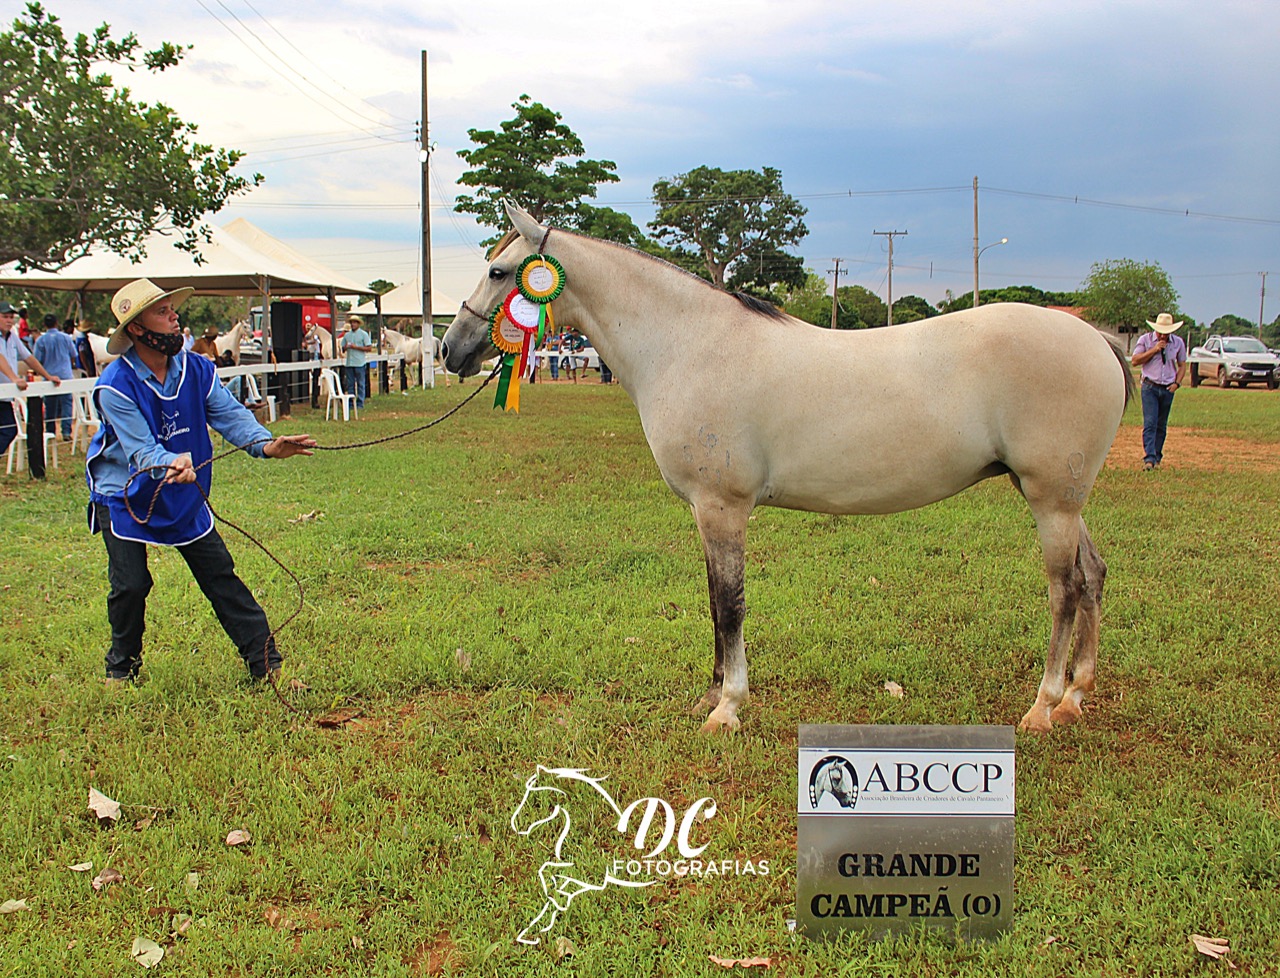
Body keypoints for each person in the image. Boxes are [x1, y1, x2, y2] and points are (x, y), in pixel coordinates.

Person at [85, 278, 315, 682]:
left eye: (173, 309)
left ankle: (266, 665)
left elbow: (229, 414)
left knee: (219, 574)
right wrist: (170, 462)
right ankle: (121, 669)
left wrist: (265, 444)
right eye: (162, 312)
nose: (175, 317)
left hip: (183, 493)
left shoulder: (197, 368)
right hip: (124, 497)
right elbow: (140, 451)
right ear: (136, 330)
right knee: (131, 585)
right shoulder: (114, 387)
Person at [1, 300, 63, 458]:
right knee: (8, 430)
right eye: (5, 317)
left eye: (11, 317)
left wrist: (47, 375)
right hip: (3, 391)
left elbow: (29, 358)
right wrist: (14, 379)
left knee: (9, 430)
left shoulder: (12, 337)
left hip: (4, 396)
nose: (9, 320)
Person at [1131, 312, 1188, 470]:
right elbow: (1135, 360)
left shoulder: (1178, 343)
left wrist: (1177, 383)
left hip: (1168, 387)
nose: (1163, 335)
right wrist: (1154, 350)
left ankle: (1157, 456)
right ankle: (1149, 458)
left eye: (1166, 332)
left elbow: (1182, 365)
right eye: (1161, 331)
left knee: (1161, 425)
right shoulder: (1146, 340)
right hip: (1150, 386)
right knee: (1150, 422)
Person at [32, 315, 78, 439]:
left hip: (49, 377)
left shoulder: (41, 340)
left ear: (45, 325)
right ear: (57, 323)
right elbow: (74, 354)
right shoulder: (65, 338)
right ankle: (66, 431)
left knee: (50, 406)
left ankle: (50, 431)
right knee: (67, 404)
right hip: (65, 375)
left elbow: (37, 360)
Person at [340, 315, 372, 409]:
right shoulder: (347, 335)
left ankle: (360, 403)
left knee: (360, 383)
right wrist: (345, 347)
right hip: (349, 363)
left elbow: (369, 348)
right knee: (350, 384)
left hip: (359, 363)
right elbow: (342, 348)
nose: (353, 324)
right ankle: (351, 403)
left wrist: (356, 347)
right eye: (352, 322)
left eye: (354, 322)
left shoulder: (363, 334)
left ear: (358, 324)